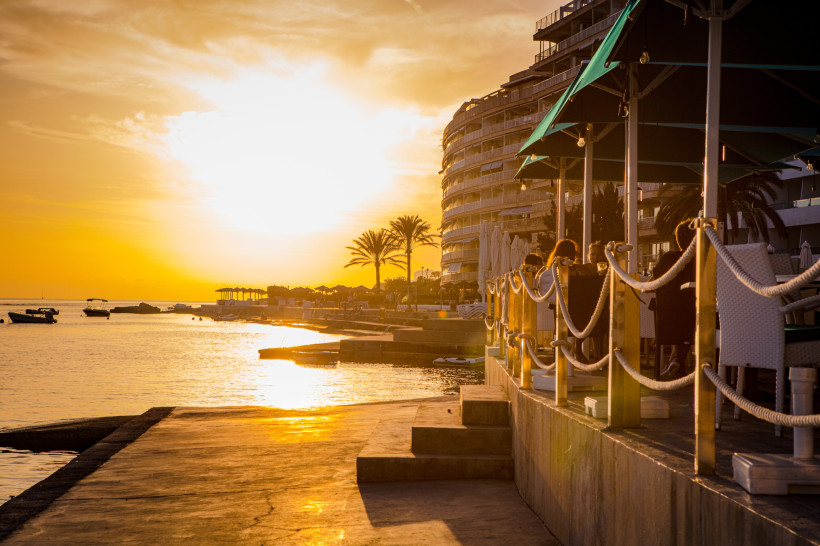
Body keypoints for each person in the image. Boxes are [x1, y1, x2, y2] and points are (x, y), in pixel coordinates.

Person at [653, 219, 696, 380]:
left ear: (678, 239)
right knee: (688, 316)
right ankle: (676, 360)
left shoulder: (668, 258)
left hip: (669, 319)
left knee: (679, 315)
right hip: (697, 316)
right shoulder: (702, 259)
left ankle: (674, 361)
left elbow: (653, 283)